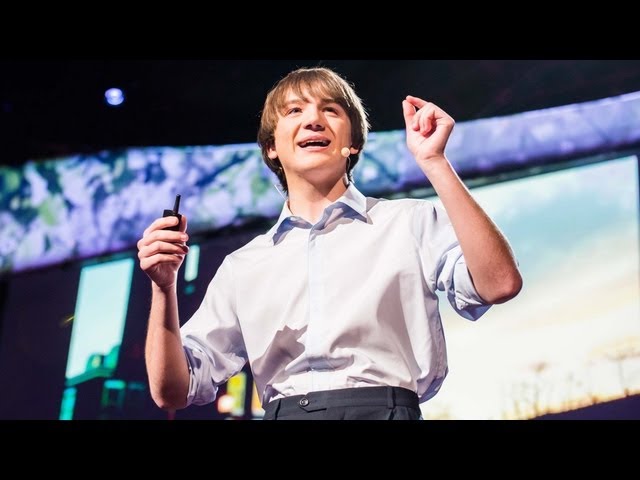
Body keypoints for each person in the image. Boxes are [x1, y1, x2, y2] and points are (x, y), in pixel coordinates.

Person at [137, 67, 523, 420]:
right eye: (294, 111)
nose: (313, 119)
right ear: (271, 147)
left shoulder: (408, 221)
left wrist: (434, 161)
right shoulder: (244, 265)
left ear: (352, 143)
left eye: (330, 109)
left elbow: (499, 284)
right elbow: (172, 390)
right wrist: (163, 286)